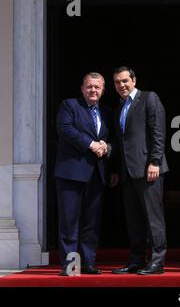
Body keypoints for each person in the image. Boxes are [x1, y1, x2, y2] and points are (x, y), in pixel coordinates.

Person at [54, 72, 119, 276]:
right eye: (89, 86)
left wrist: (107, 148)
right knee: (69, 221)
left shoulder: (108, 112)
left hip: (97, 175)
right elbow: (65, 129)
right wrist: (91, 144)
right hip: (71, 172)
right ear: (82, 88)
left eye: (97, 87)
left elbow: (117, 139)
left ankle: (88, 263)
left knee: (91, 222)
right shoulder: (70, 105)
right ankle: (71, 265)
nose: (93, 90)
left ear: (103, 90)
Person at [111, 66, 169, 275]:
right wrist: (116, 169)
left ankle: (157, 261)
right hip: (127, 171)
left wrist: (155, 161)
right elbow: (122, 141)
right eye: (117, 82)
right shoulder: (119, 107)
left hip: (148, 169)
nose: (121, 85)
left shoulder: (149, 98)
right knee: (134, 219)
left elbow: (158, 132)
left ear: (134, 80)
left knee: (153, 218)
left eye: (125, 80)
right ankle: (136, 260)